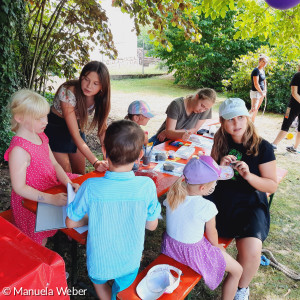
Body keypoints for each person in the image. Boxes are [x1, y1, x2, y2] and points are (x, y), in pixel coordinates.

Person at [66, 120, 161, 300]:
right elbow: (152, 226)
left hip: (99, 263)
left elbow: (70, 222)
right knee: (121, 292)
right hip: (130, 262)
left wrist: (91, 217)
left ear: (103, 150)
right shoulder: (147, 185)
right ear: (140, 155)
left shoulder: (90, 186)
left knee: (99, 282)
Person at [208, 98, 278, 300]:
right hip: (221, 200)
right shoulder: (220, 141)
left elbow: (271, 185)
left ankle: (241, 288)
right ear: (222, 122)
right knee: (200, 236)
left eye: (240, 117)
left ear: (247, 118)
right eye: (230, 119)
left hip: (250, 203)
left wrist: (249, 176)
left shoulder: (263, 147)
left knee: (253, 250)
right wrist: (220, 166)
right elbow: (210, 178)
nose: (236, 123)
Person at [4, 90, 80, 246]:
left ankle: (69, 228)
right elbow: (19, 188)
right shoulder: (19, 150)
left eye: (45, 115)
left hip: (49, 185)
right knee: (38, 241)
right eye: (39, 118)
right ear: (19, 118)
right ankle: (43, 266)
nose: (46, 121)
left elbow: (54, 164)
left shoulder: (40, 135)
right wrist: (51, 199)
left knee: (80, 188)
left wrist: (67, 182)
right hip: (31, 201)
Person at [162, 156, 243, 300]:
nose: (215, 185)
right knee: (238, 270)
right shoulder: (207, 207)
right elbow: (212, 234)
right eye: (215, 183)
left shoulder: (172, 195)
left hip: (170, 247)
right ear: (203, 188)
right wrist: (217, 246)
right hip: (192, 254)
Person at [44, 61, 111, 175]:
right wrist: (95, 162)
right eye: (86, 79)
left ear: (102, 87)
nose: (89, 86)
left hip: (76, 126)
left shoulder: (101, 98)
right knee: (66, 175)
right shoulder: (68, 92)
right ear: (81, 77)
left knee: (80, 173)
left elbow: (102, 130)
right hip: (55, 127)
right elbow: (74, 135)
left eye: (95, 83)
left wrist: (107, 157)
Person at [149, 88, 217, 145]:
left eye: (206, 109)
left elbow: (195, 129)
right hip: (162, 139)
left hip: (181, 141)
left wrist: (173, 132)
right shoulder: (176, 105)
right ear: (196, 97)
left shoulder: (206, 108)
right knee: (141, 151)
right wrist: (171, 133)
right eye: (202, 106)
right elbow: (169, 133)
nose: (202, 110)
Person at [271, 66, 300, 153]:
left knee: (287, 125)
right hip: (291, 107)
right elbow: (294, 93)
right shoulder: (297, 75)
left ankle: (274, 145)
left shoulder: (297, 75)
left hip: (292, 106)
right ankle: (276, 145)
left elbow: (294, 93)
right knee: (286, 124)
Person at [249, 55, 269, 122]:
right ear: (259, 61)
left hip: (261, 92)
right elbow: (256, 84)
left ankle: (252, 123)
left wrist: (265, 90)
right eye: (263, 61)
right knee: (253, 109)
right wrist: (261, 92)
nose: (265, 63)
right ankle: (245, 121)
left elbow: (264, 81)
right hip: (256, 92)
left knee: (256, 109)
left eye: (266, 62)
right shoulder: (256, 70)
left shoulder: (262, 70)